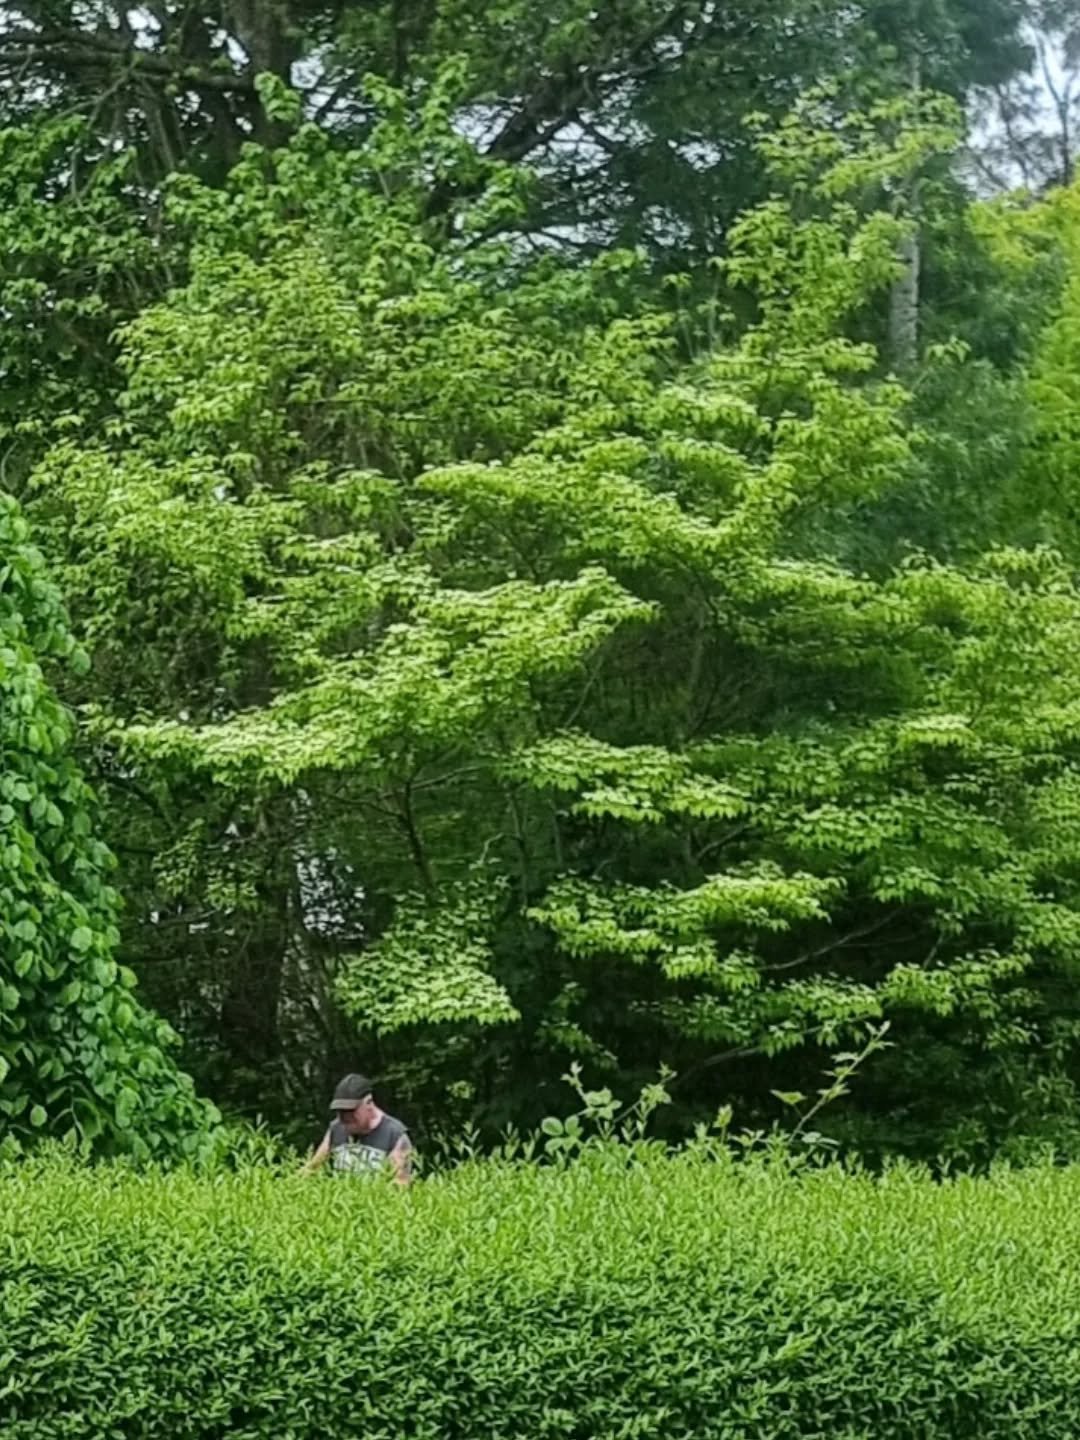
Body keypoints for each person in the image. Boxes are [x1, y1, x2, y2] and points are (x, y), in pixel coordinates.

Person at [303, 1073, 412, 1185]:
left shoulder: (394, 1134)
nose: (345, 1117)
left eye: (351, 1110)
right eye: (340, 1111)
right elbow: (312, 1169)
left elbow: (401, 1183)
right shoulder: (336, 1128)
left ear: (369, 1103)